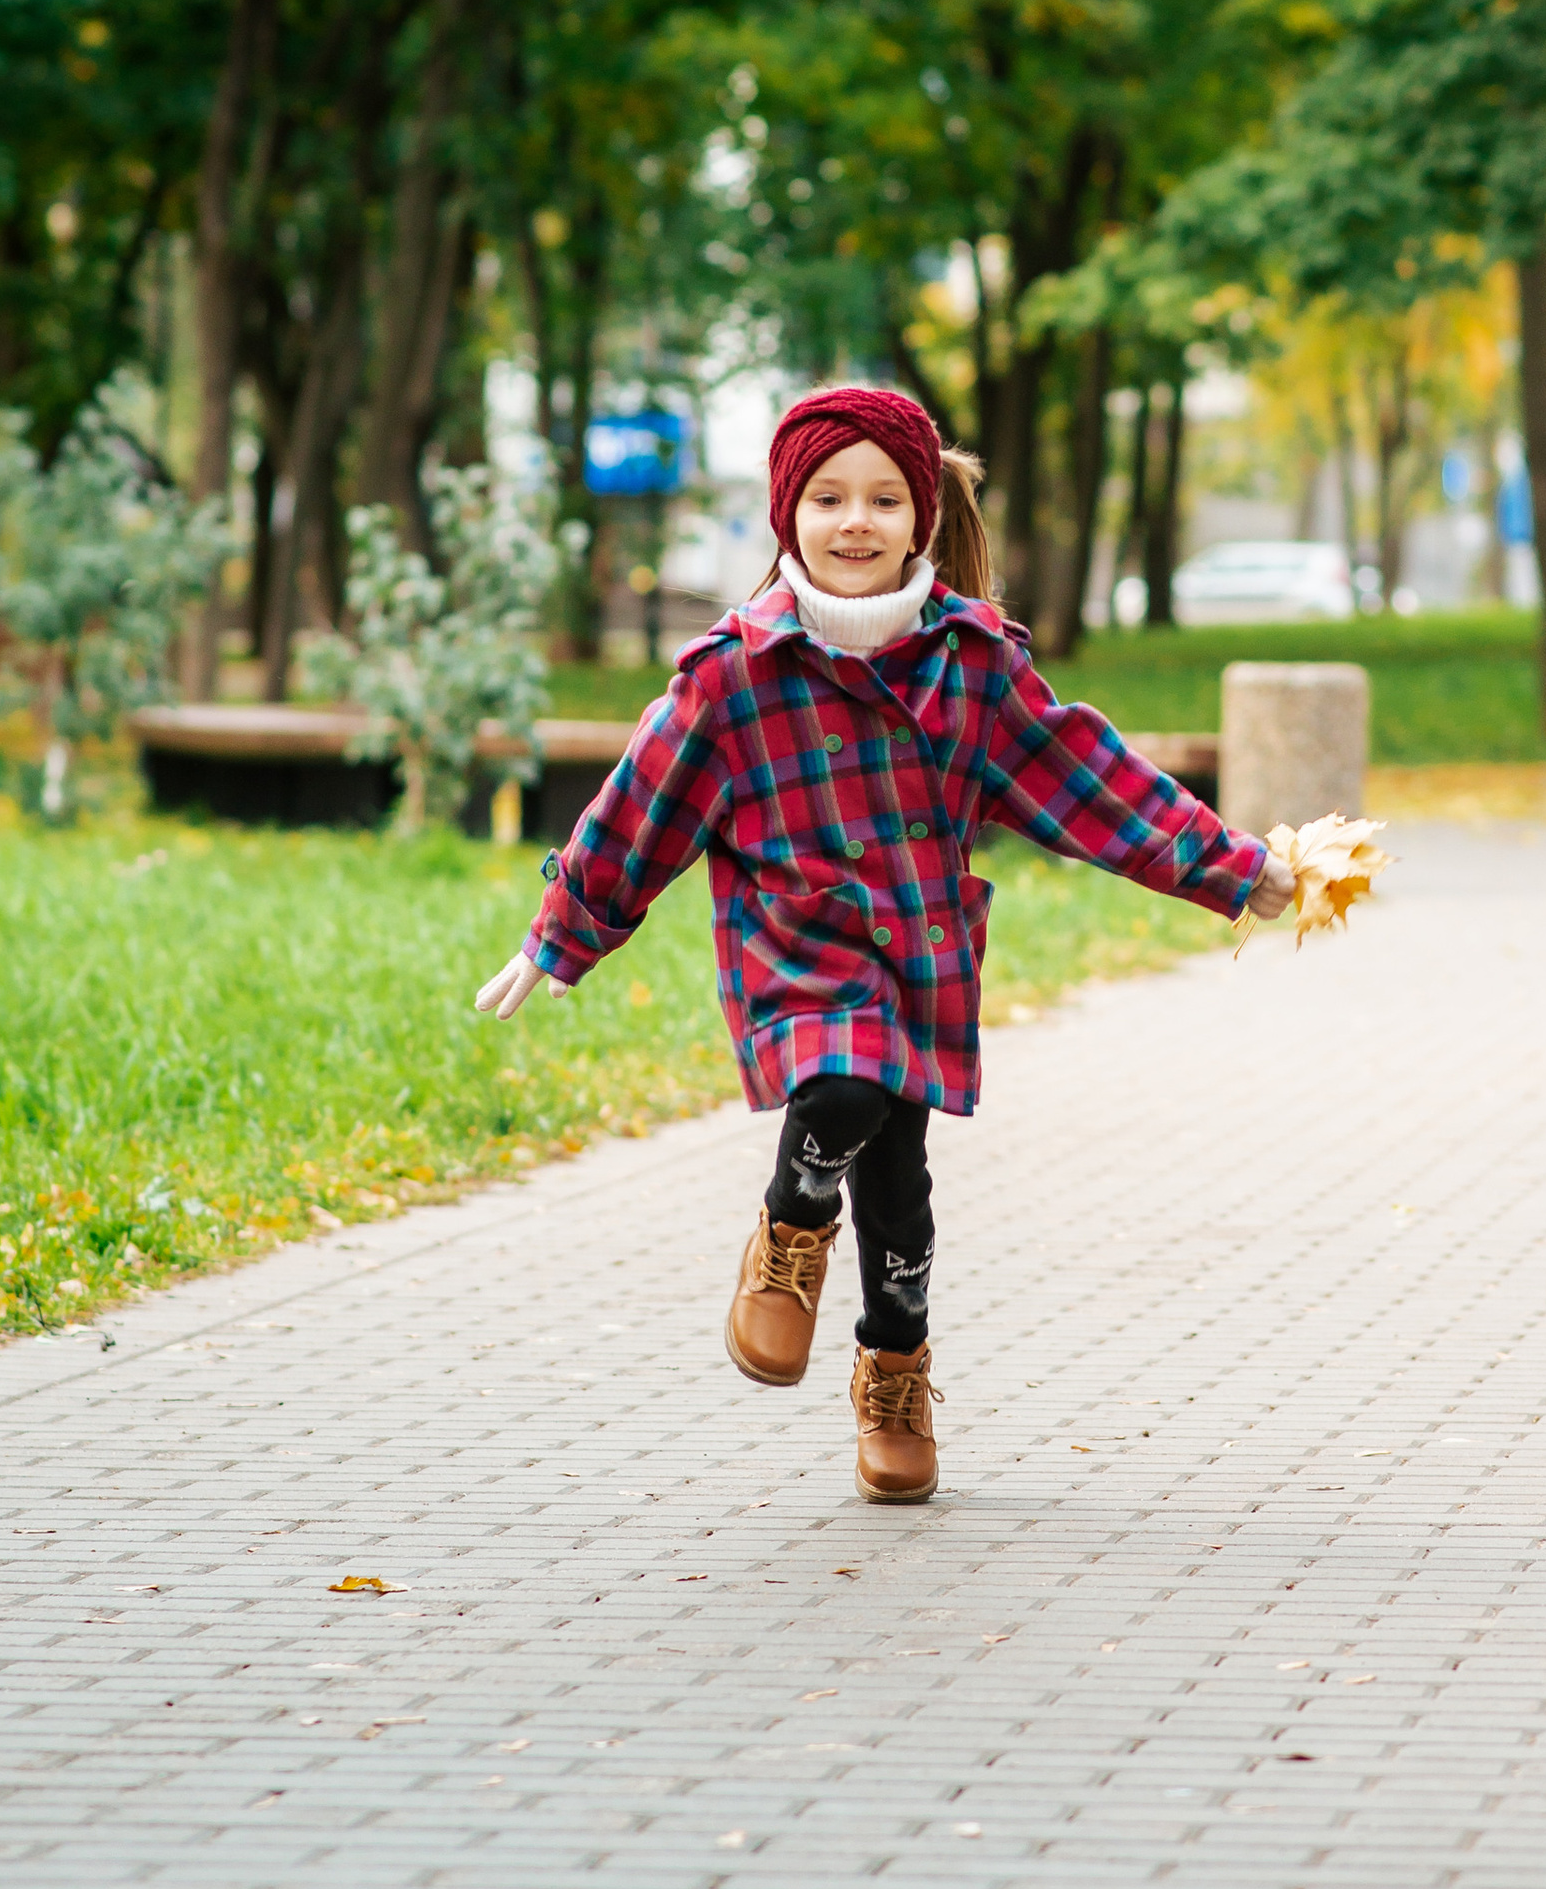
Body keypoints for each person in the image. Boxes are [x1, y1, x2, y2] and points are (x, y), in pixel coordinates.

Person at [476, 384, 1295, 1506]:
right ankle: (792, 1221)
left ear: (922, 517)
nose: (854, 521)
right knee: (845, 1086)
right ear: (787, 515)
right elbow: (641, 807)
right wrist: (561, 932)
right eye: (827, 498)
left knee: (901, 1184)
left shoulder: (974, 665)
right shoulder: (735, 674)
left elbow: (1090, 780)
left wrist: (1232, 869)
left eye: (882, 499)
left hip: (918, 955)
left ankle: (893, 1369)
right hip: (795, 954)